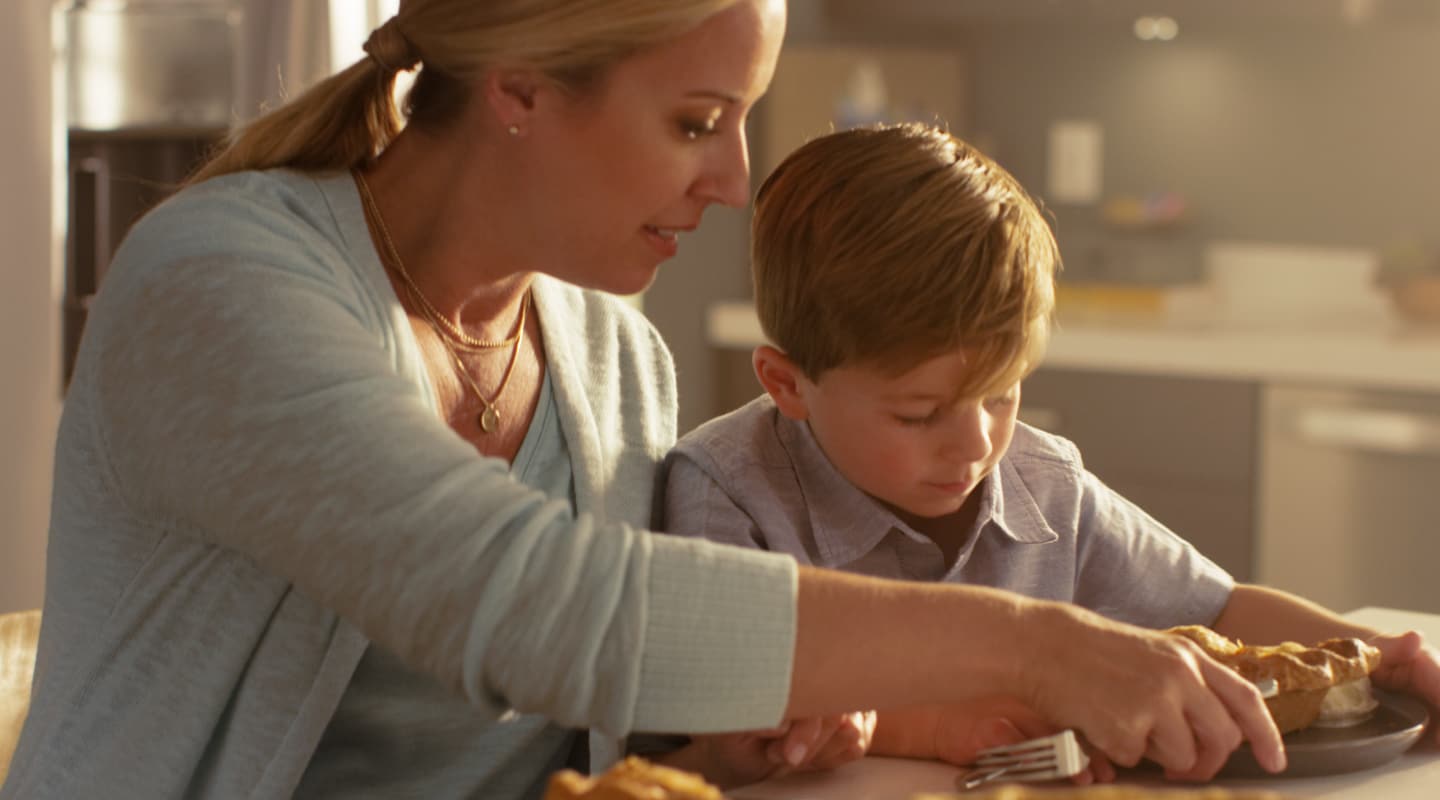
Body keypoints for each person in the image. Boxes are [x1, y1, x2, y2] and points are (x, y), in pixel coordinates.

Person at [1, 4, 1288, 799]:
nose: (734, 180)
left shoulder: (617, 354)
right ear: (518, 88)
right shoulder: (223, 281)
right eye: (694, 121)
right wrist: (1038, 641)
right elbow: (537, 605)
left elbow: (581, 722)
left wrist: (722, 747)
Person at [660, 122, 1440, 786]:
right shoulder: (728, 493)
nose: (975, 446)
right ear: (787, 383)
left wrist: (1373, 657)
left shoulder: (1042, 484)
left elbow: (1219, 610)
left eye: (1002, 395)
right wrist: (928, 723)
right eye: (919, 414)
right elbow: (714, 720)